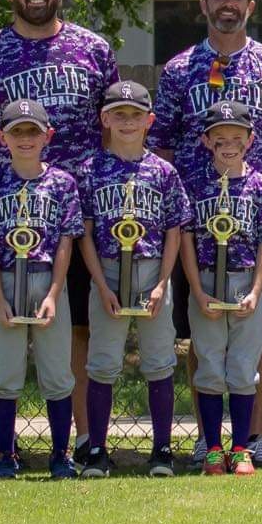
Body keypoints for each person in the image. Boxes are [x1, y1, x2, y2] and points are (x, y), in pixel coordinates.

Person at [0, 0, 117, 460]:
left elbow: (114, 122)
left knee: (78, 327)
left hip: (82, 215)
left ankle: (81, 439)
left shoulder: (93, 49)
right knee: (5, 323)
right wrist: (9, 180)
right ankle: (7, 443)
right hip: (11, 221)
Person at [149, 0, 262, 470]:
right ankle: (207, 440)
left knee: (256, 332)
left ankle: (252, 438)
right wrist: (165, 220)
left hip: (258, 224)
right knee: (201, 331)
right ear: (203, 4)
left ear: (250, 6)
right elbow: (163, 150)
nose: (227, 3)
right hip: (195, 225)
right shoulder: (178, 71)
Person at [0, 100, 84, 480]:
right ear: (2, 137)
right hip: (8, 281)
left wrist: (53, 294)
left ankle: (61, 455)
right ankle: (4, 453)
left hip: (48, 283)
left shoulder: (62, 183)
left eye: (33, 131)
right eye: (17, 132)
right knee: (6, 373)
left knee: (57, 373)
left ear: (48, 135)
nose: (25, 139)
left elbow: (66, 242)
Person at [76, 79, 188, 478]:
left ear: (149, 121)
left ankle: (161, 449)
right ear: (104, 119)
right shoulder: (89, 169)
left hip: (153, 269)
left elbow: (175, 228)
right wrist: (101, 284)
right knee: (103, 363)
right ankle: (97, 451)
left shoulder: (164, 172)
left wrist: (162, 282)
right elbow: (84, 233)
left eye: (135, 115)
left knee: (160, 361)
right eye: (119, 115)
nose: (127, 122)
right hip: (106, 271)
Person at [181, 100, 262, 476]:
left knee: (242, 368)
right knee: (208, 365)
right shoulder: (194, 183)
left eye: (236, 137)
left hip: (245, 282)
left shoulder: (261, 186)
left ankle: (241, 448)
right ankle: (211, 449)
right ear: (207, 141)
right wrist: (196, 288)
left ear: (250, 140)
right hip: (206, 282)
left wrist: (256, 290)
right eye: (220, 137)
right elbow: (187, 239)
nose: (228, 144)